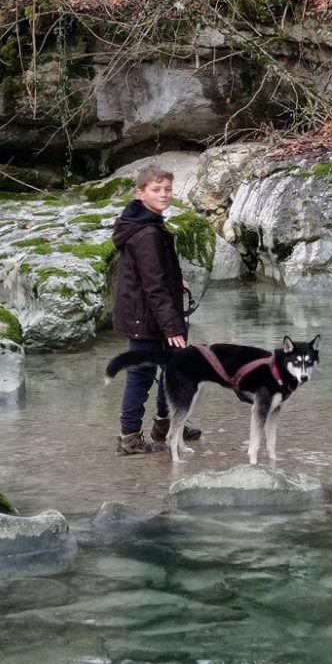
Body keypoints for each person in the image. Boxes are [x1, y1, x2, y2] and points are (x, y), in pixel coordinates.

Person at [111, 164, 202, 455]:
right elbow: (153, 286)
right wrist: (173, 327)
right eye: (156, 189)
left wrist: (178, 280)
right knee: (141, 374)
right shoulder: (147, 233)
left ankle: (166, 425)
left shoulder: (146, 223)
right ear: (140, 193)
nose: (164, 194)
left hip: (150, 313)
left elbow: (155, 272)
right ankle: (129, 438)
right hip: (146, 316)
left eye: (167, 189)